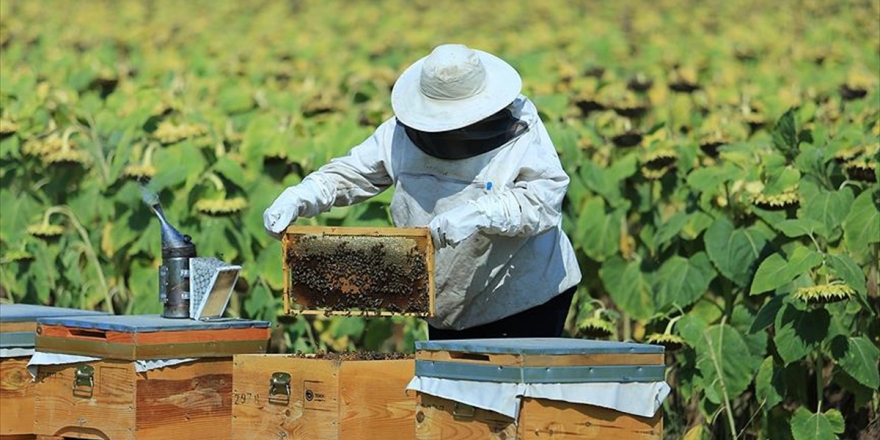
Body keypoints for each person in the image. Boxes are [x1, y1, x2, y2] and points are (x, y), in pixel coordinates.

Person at [263, 43, 582, 340]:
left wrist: (480, 214)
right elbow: (354, 171)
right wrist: (305, 194)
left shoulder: (521, 128)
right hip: (441, 296)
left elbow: (542, 201)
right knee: (448, 392)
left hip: (522, 294)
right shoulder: (403, 133)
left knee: (507, 393)